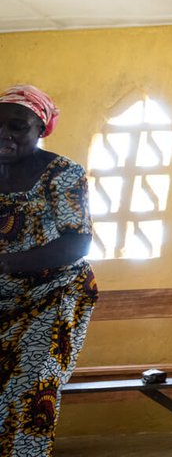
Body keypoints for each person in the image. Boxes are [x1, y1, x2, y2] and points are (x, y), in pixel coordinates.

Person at [0, 85, 97, 456]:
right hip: (3, 298)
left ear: (40, 129)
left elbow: (78, 242)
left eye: (16, 126)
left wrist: (8, 262)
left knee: (30, 388)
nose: (3, 134)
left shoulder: (62, 173)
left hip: (54, 297)